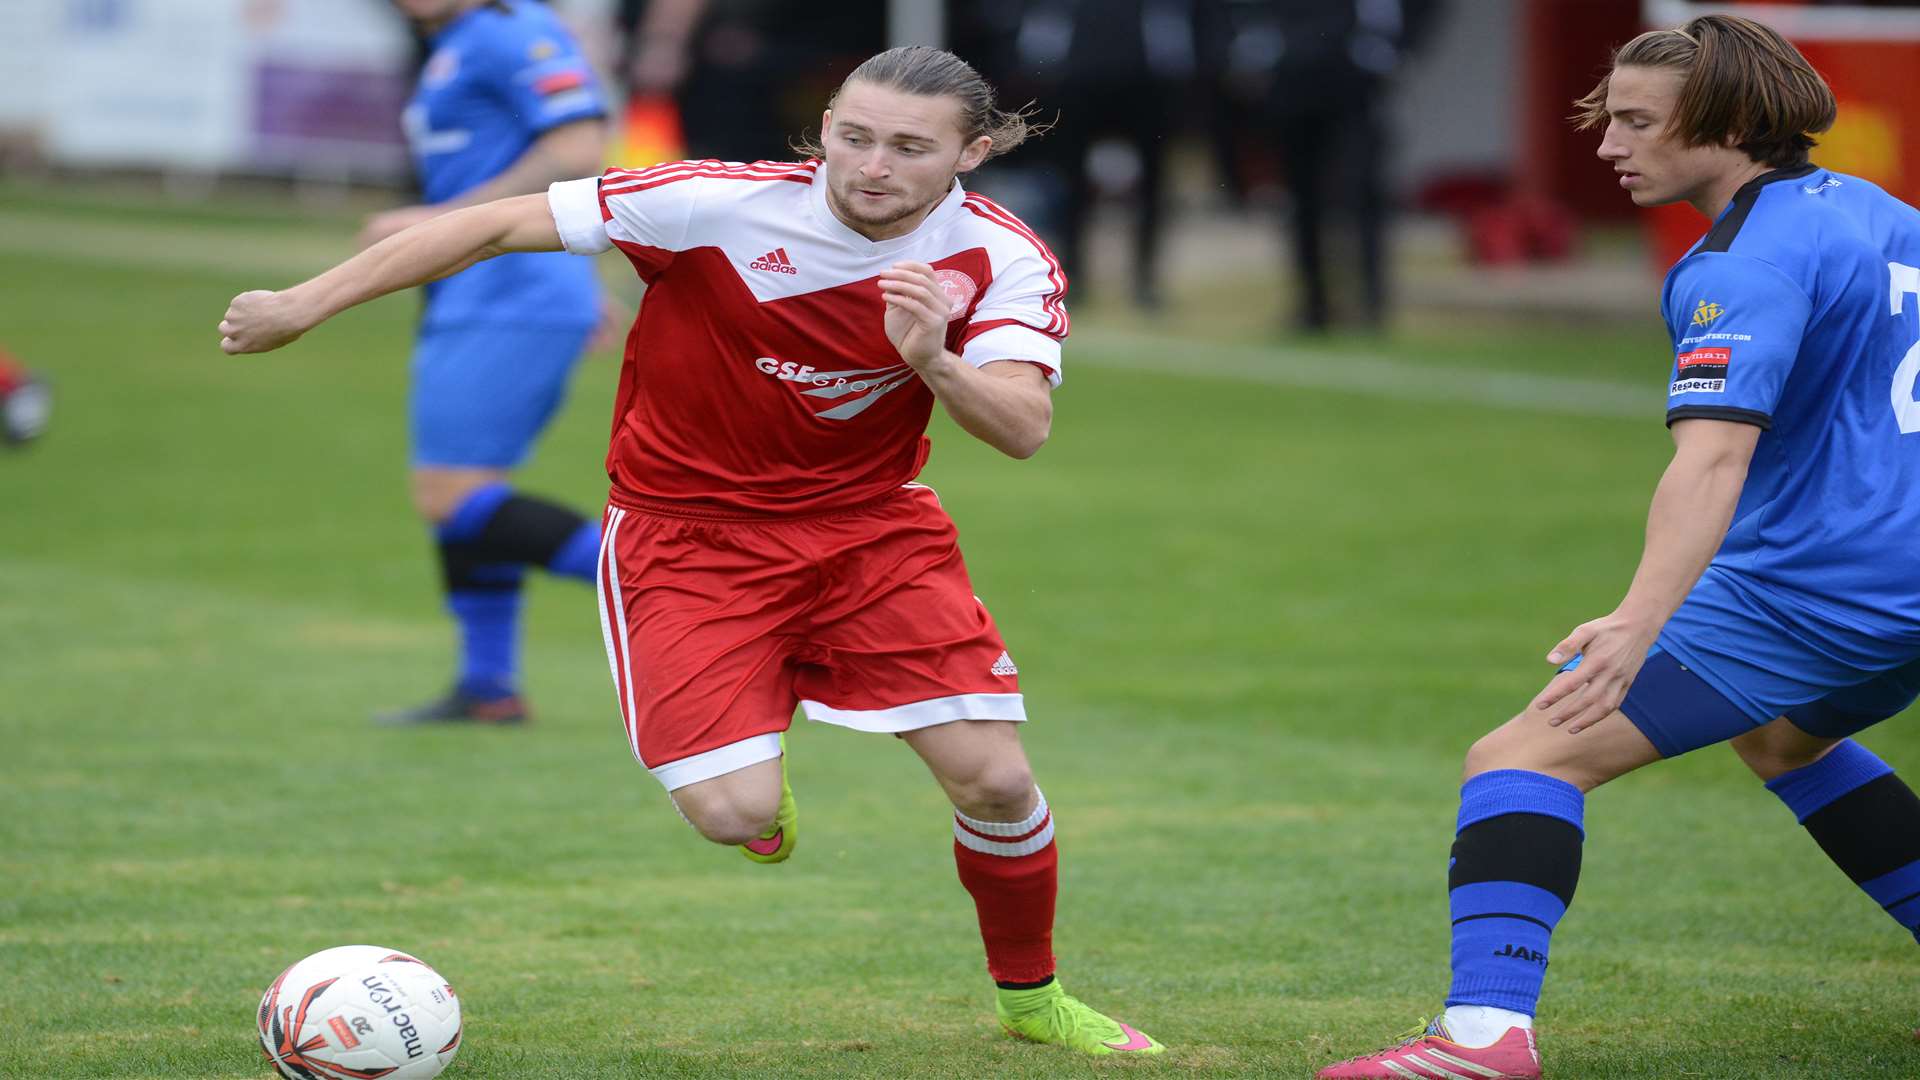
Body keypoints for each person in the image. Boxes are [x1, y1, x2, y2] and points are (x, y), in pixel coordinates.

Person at [218, 45, 1165, 1057]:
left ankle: (1032, 998)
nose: (871, 165)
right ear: (825, 127)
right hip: (686, 538)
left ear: (971, 153)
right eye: (852, 135)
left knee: (997, 782)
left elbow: (1021, 425)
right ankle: (760, 769)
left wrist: (933, 359)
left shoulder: (1001, 257)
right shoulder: (714, 205)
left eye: (907, 147)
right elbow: (496, 221)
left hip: (869, 533)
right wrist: (300, 303)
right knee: (730, 812)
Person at [1317, 14, 1920, 1078]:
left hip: (1829, 583)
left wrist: (1635, 626)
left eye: (1637, 123)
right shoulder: (1876, 210)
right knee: (1783, 740)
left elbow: (1710, 462)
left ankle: (1483, 1037)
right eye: (1608, 118)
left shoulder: (1737, 264)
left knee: (1523, 754)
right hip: (1892, 572)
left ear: (1730, 123)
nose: (1608, 146)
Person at [368, 0, 610, 726]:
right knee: (463, 498)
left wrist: (444, 221)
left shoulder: (516, 31)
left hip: (510, 292)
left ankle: (686, 581)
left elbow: (577, 151)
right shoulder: (459, 40)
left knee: (447, 493)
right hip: (483, 290)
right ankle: (487, 686)